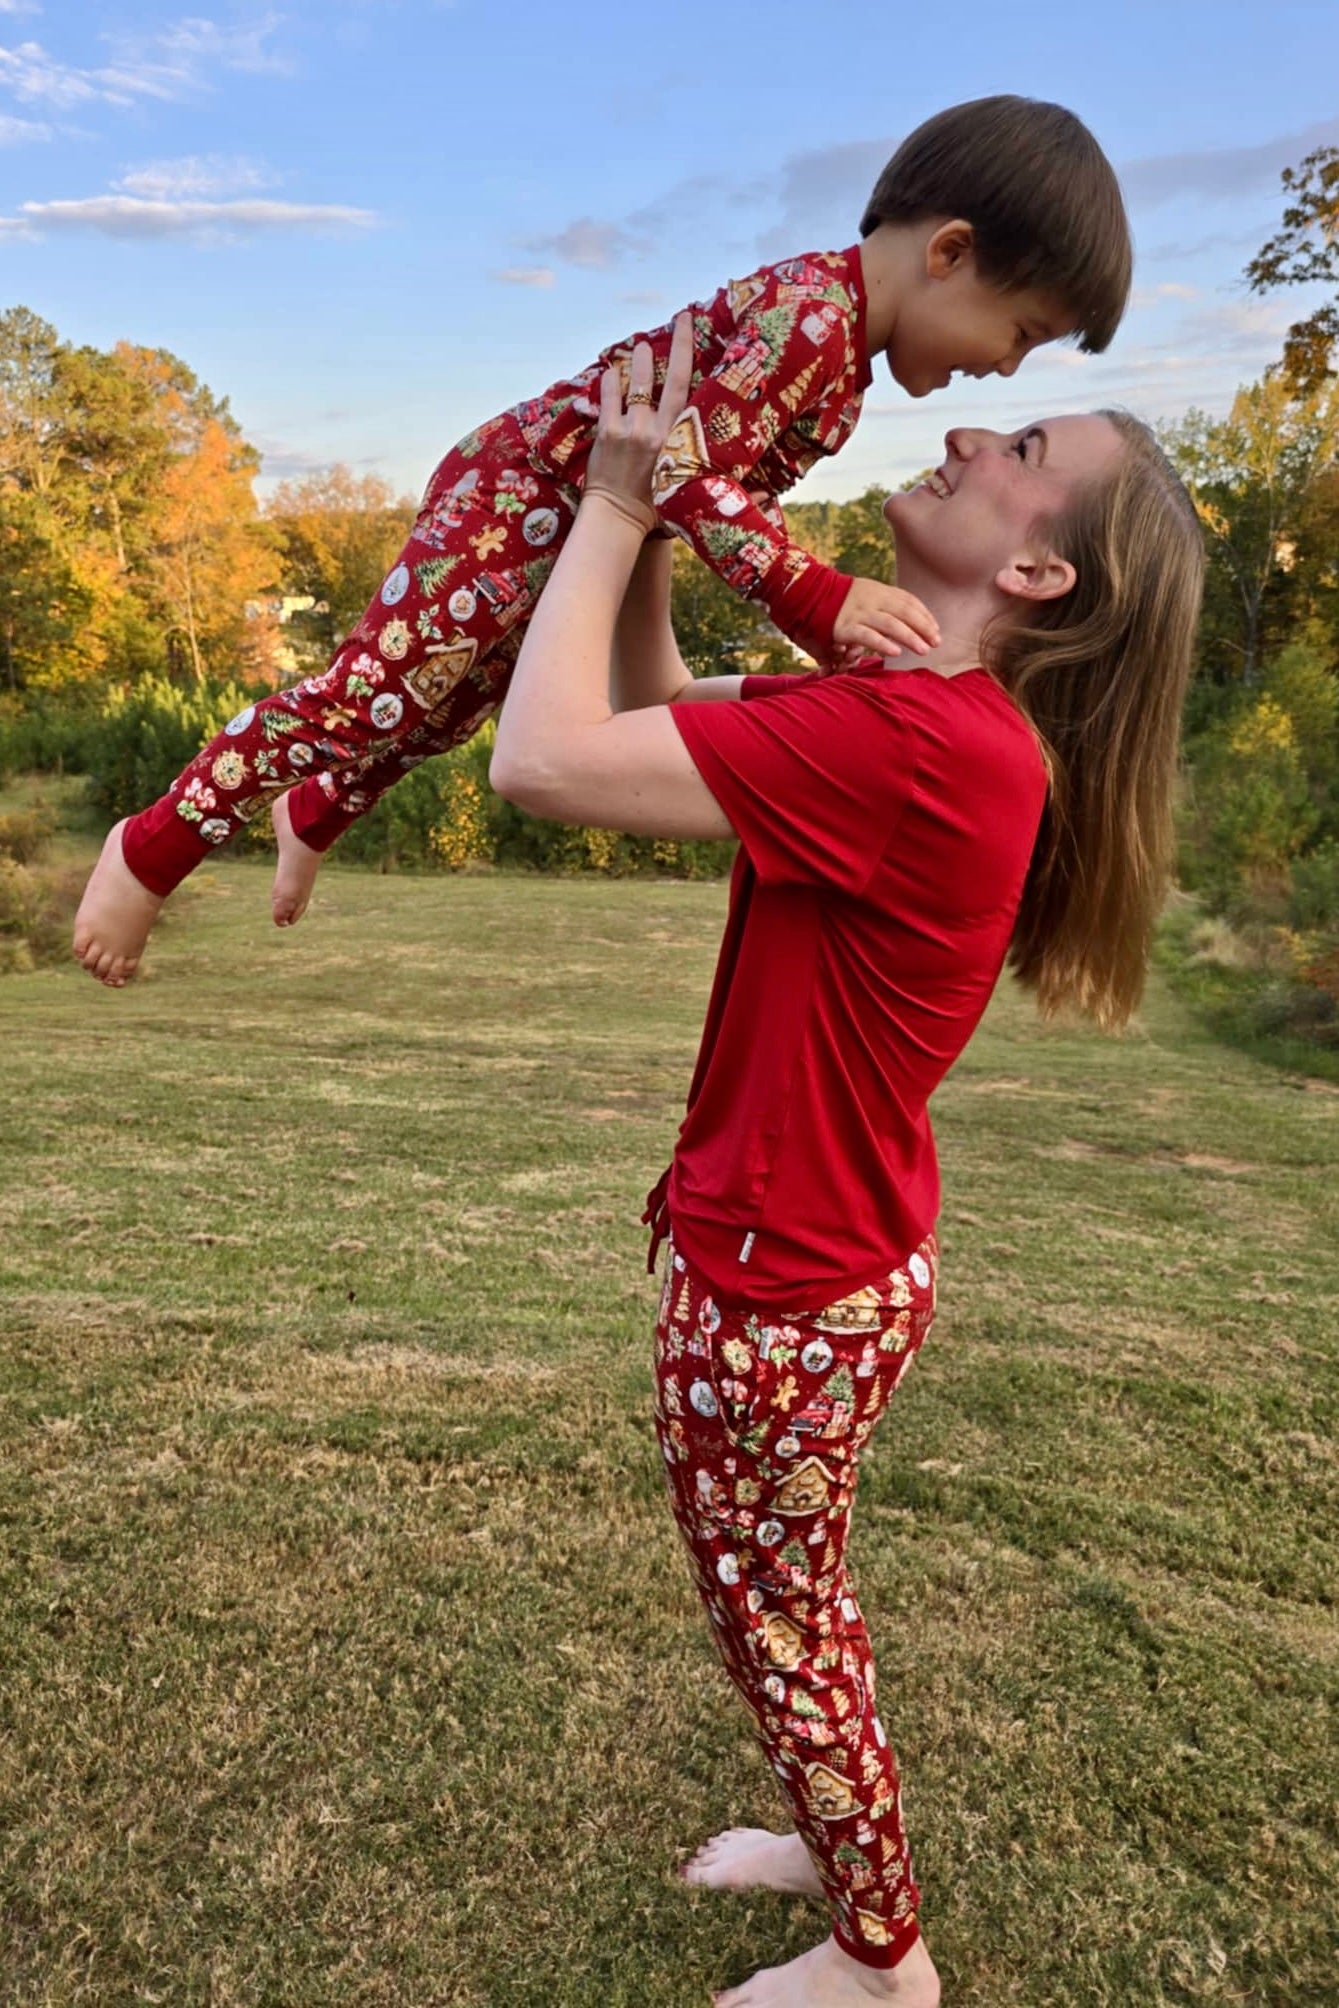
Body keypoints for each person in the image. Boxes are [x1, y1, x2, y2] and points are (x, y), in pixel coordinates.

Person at [487, 319, 1204, 2005]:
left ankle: (881, 1961)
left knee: (779, 1619)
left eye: (1015, 447)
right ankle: (832, 1831)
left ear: (1036, 565)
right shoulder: (904, 714)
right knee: (784, 1606)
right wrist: (661, 522)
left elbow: (539, 759)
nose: (963, 436)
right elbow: (650, 706)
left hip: (786, 1287)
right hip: (816, 1260)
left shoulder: (926, 748)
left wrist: (602, 508)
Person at [73, 94, 1132, 987]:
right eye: (1021, 333)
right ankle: (153, 845)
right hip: (516, 494)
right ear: (950, 252)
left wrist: (812, 623)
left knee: (451, 702)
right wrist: (817, 597)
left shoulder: (839, 372)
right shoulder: (810, 323)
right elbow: (683, 471)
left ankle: (320, 804)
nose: (1003, 370)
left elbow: (685, 498)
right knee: (370, 693)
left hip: (568, 520)